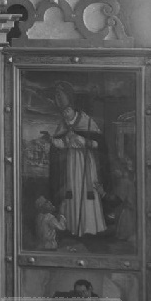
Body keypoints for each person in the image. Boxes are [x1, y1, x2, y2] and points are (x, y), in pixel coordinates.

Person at [40, 86, 106, 237]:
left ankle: (89, 227)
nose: (65, 114)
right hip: (71, 163)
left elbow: (99, 144)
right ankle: (74, 226)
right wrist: (51, 139)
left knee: (87, 191)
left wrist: (83, 141)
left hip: (86, 162)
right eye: (63, 112)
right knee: (73, 191)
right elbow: (62, 143)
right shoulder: (63, 125)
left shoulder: (87, 121)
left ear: (73, 109)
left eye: (67, 111)